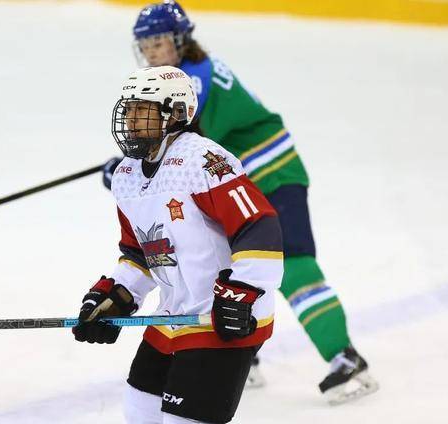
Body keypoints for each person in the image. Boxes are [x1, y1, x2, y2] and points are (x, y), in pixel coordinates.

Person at [101, 0, 378, 405]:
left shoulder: (194, 80)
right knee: (219, 265)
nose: (151, 52)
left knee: (291, 264)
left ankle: (345, 357)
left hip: (272, 175)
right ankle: (243, 353)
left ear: (180, 40)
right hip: (230, 182)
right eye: (145, 45)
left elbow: (181, 144)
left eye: (158, 42)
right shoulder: (185, 75)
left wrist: (132, 167)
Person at [74, 66, 284, 424]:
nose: (131, 120)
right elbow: (142, 252)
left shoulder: (201, 161)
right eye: (129, 109)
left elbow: (258, 227)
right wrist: (119, 294)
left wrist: (243, 292)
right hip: (173, 316)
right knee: (140, 412)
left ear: (175, 113)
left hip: (220, 322)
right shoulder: (127, 175)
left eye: (143, 109)